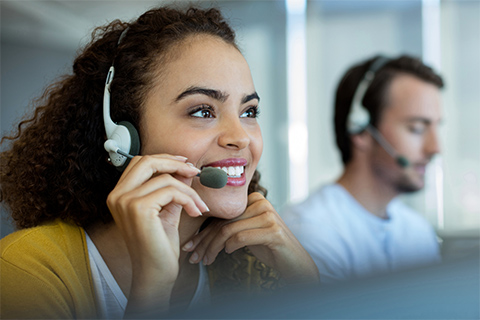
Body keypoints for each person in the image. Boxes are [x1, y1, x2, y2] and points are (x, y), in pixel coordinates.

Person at [0, 6, 319, 319]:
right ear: (124, 135)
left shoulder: (245, 262)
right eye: (203, 112)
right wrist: (152, 289)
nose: (241, 137)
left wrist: (306, 282)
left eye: (248, 112)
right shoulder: (27, 271)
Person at [281, 54, 444, 283]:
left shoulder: (418, 232)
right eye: (417, 128)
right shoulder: (310, 232)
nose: (435, 148)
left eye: (436, 128)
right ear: (361, 131)